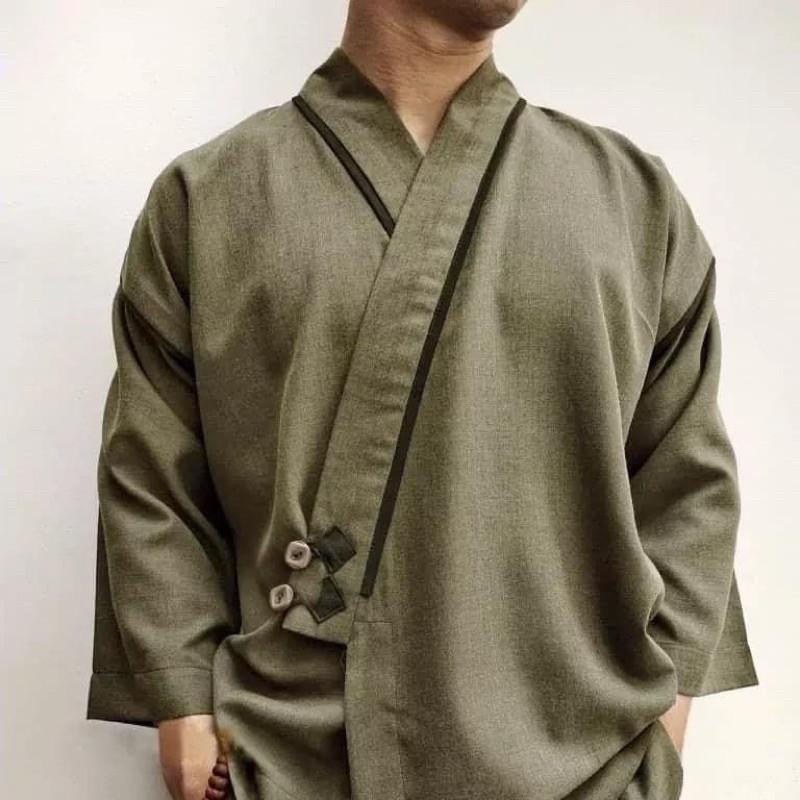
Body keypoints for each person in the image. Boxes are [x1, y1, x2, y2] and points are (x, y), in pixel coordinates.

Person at [85, 1, 759, 798]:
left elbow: (689, 482)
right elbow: (153, 475)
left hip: (592, 762)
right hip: (289, 756)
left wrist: (668, 712)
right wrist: (182, 700)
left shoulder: (633, 199)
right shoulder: (209, 198)